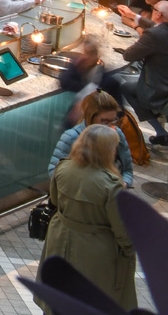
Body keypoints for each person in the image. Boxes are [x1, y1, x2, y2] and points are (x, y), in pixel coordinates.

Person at [41, 126, 136, 310]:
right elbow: (121, 229)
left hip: (59, 240)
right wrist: (130, 249)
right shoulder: (111, 185)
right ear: (107, 150)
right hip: (95, 252)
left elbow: (54, 200)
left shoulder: (63, 168)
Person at [48, 91, 134, 188]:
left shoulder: (117, 134)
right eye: (104, 121)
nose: (109, 126)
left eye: (113, 121)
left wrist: (124, 185)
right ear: (91, 116)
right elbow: (54, 171)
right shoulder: (71, 137)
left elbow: (128, 171)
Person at [116, 0, 168, 147]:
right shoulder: (159, 31)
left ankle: (160, 130)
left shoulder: (153, 35)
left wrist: (140, 36)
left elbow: (129, 56)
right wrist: (134, 16)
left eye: (154, 10)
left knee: (126, 88)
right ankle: (161, 133)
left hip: (159, 90)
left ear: (158, 14)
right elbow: (157, 27)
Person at [56, 36, 130, 114]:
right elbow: (63, 81)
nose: (86, 57)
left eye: (90, 53)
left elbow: (119, 110)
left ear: (97, 56)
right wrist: (76, 67)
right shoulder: (76, 69)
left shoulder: (108, 81)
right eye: (85, 53)